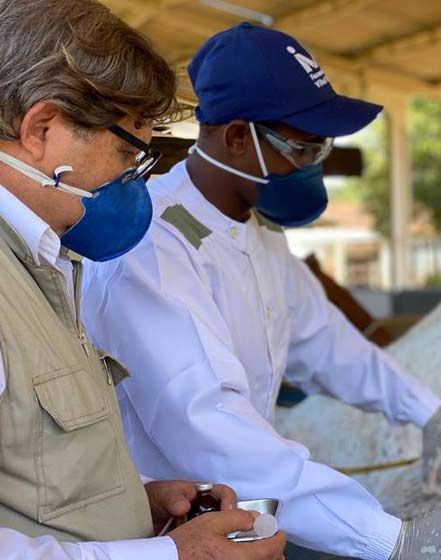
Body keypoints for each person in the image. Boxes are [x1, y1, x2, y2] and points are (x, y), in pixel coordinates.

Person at [82, 22, 441, 560]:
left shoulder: (258, 235)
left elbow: (331, 345)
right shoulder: (151, 243)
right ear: (237, 138)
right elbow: (210, 423)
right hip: (158, 533)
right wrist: (393, 539)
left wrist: (427, 413)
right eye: (303, 149)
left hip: (240, 520)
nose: (314, 166)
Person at [0, 3, 285, 559]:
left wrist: (131, 505)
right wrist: (176, 556)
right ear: (40, 130)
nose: (134, 182)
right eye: (128, 154)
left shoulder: (45, 267)